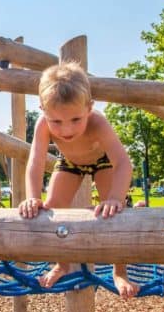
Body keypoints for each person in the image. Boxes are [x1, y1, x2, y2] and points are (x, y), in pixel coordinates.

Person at [18, 62, 140, 299]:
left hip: (103, 161)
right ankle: (62, 264)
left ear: (89, 107)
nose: (66, 130)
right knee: (52, 208)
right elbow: (35, 162)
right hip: (70, 162)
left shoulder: (98, 122)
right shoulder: (43, 124)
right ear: (42, 109)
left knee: (114, 212)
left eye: (75, 119)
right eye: (57, 121)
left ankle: (120, 272)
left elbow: (123, 163)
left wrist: (115, 197)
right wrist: (32, 197)